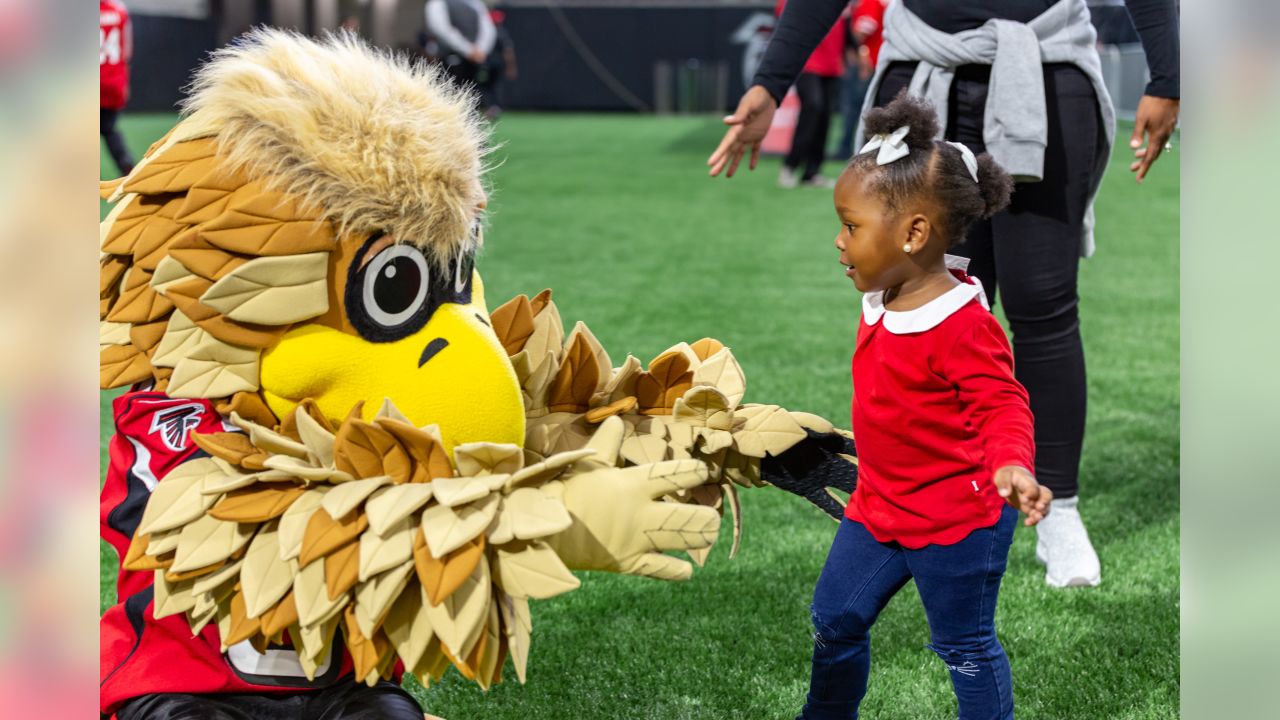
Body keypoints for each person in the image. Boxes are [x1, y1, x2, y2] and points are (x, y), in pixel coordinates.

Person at [707, 0, 1181, 589]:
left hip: (1044, 66)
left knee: (1045, 305)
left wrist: (1169, 75)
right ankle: (953, 500)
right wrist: (771, 83)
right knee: (936, 305)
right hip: (924, 71)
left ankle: (1059, 508)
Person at [802, 93, 1051, 720]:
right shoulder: (884, 294)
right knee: (834, 619)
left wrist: (1012, 466)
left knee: (962, 645)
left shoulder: (964, 325)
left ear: (914, 234)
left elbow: (1003, 405)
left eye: (851, 226)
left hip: (959, 516)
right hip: (879, 505)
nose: (838, 241)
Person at [775, 0, 849, 188]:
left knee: (824, 116)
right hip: (806, 63)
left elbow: (844, 26)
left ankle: (812, 171)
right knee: (813, 108)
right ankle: (790, 165)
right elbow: (785, 22)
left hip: (832, 65)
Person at [424, 0, 496, 90]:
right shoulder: (438, 3)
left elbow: (487, 28)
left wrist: (481, 50)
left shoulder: (475, 3)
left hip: (475, 62)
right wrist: (469, 50)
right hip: (449, 60)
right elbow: (440, 29)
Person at [99, 0, 134, 176]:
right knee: (108, 128)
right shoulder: (119, 10)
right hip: (112, 82)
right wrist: (124, 83)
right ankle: (125, 163)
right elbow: (126, 51)